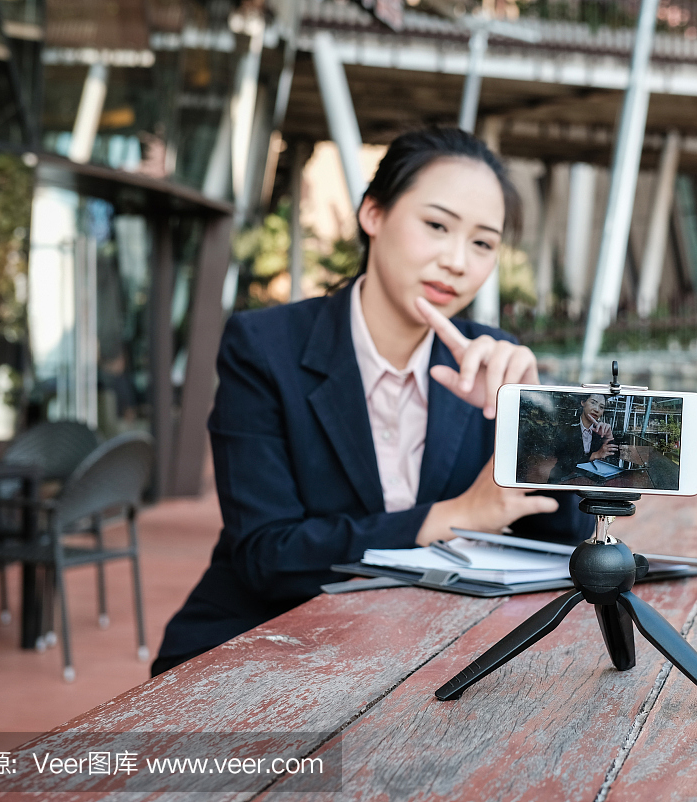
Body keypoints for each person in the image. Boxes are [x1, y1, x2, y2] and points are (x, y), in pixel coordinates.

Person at [152, 128, 593, 676]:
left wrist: (538, 420)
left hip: (420, 653)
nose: (458, 261)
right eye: (436, 226)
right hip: (262, 649)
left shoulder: (494, 361)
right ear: (373, 214)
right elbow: (267, 556)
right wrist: (454, 516)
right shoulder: (265, 349)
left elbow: (560, 543)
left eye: (482, 243)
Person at [548, 393, 617, 483]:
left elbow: (615, 460)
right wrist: (594, 455)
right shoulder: (566, 426)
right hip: (564, 479)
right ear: (583, 402)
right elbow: (563, 458)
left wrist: (608, 437)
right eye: (593, 403)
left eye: (601, 407)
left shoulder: (601, 430)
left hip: (590, 481)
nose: (596, 410)